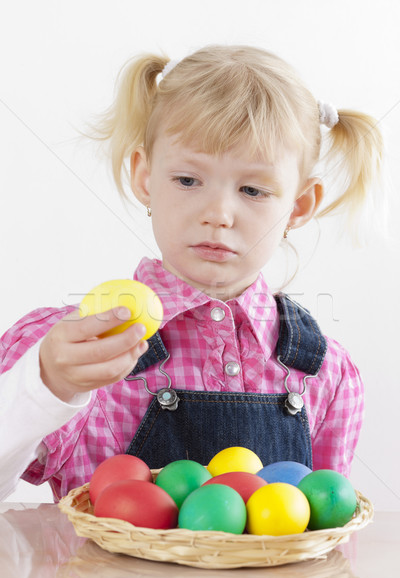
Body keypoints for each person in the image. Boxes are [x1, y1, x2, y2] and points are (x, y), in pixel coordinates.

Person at [0, 45, 383, 502]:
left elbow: (319, 532)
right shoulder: (73, 349)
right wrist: (46, 385)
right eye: (187, 180)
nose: (218, 213)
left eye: (253, 189)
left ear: (298, 206)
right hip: (101, 577)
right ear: (145, 177)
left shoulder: (325, 374)